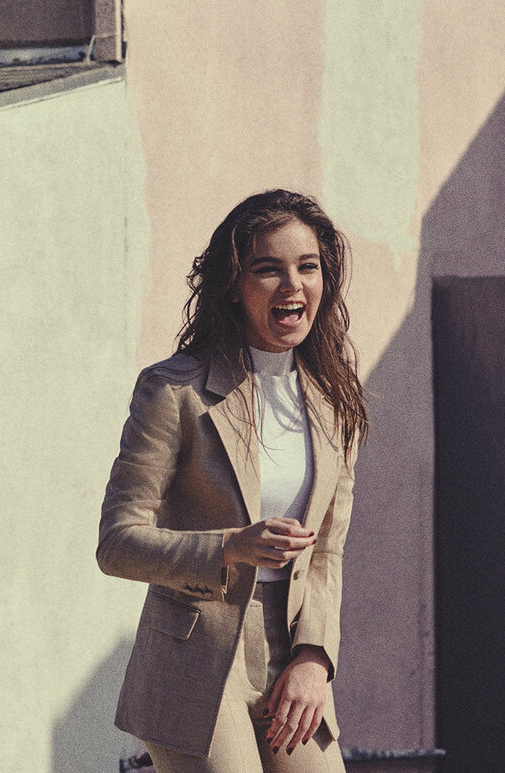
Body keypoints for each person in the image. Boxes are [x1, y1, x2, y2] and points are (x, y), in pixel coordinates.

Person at [98, 189, 369, 772]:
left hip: (290, 655)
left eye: (308, 267)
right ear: (233, 285)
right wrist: (229, 547)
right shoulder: (174, 391)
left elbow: (327, 552)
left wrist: (315, 657)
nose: (292, 285)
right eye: (268, 269)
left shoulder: (335, 402)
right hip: (193, 658)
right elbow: (117, 543)